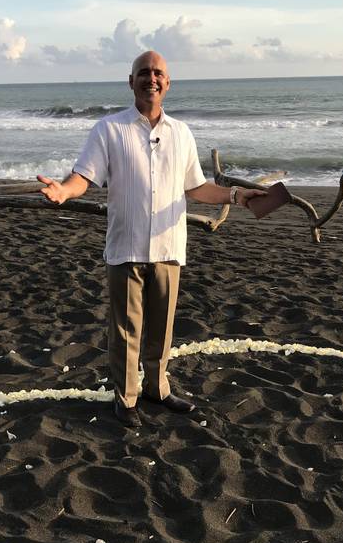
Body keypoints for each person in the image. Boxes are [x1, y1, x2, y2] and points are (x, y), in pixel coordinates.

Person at [38, 50, 265, 428]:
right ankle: (125, 399)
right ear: (131, 82)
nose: (151, 79)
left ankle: (157, 389)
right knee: (126, 329)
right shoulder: (109, 129)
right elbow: (84, 178)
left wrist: (237, 197)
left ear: (168, 83)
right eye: (144, 73)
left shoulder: (181, 133)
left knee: (162, 327)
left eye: (158, 73)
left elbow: (196, 188)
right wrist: (63, 191)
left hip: (168, 245)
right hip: (125, 245)